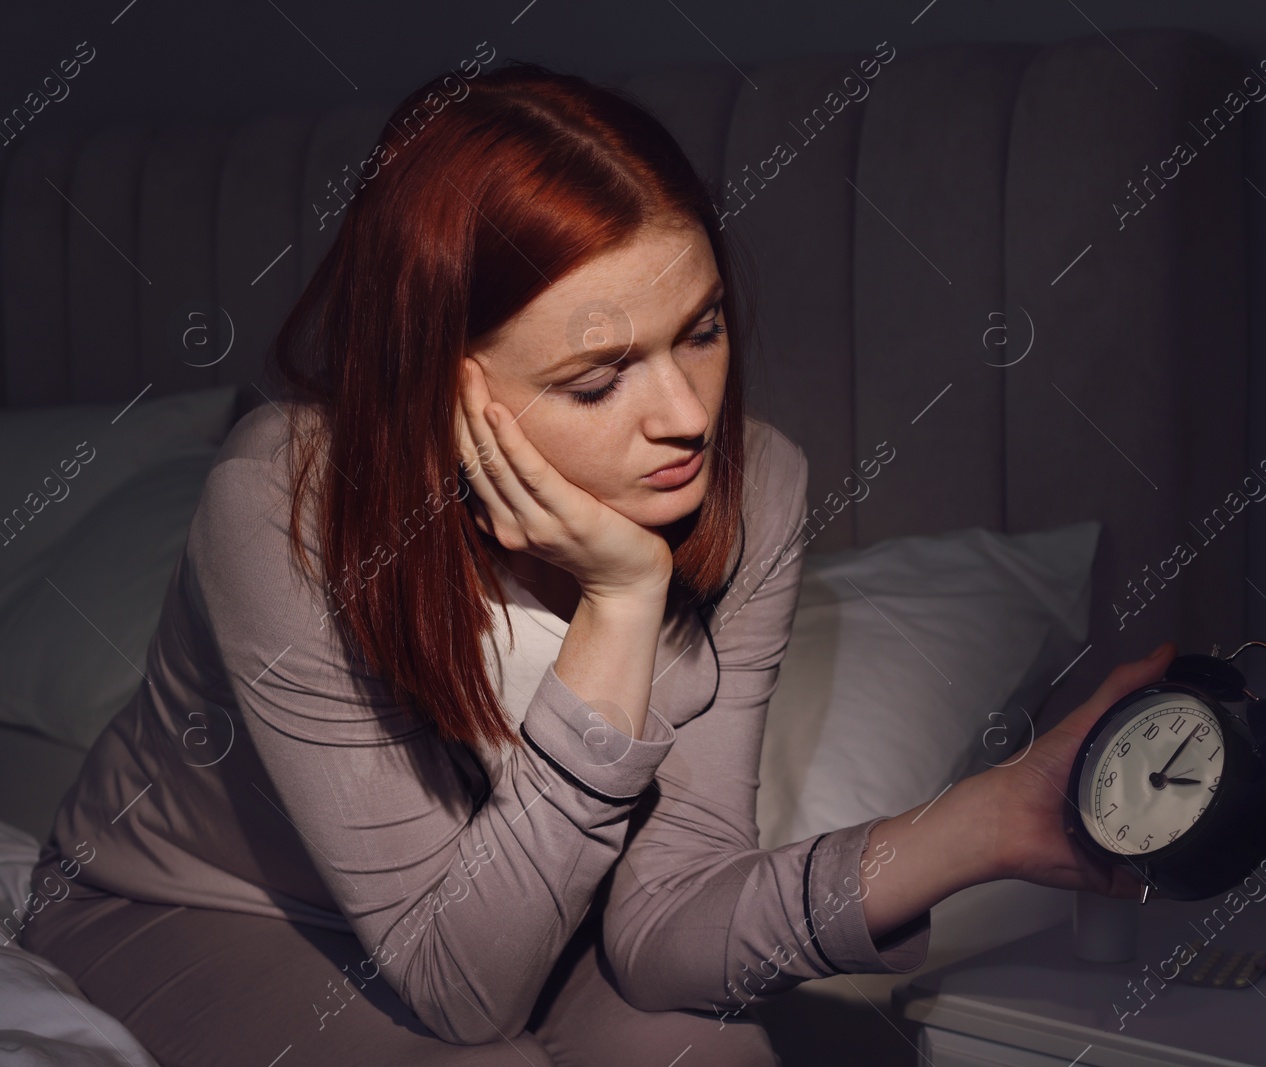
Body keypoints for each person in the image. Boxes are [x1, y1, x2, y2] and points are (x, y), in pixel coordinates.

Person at [17, 59, 1175, 1066]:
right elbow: (463, 991)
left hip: (532, 917)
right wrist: (624, 604)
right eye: (597, 376)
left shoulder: (751, 480)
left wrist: (986, 822)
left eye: (702, 330)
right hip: (183, 904)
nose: (685, 413)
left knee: (711, 1049)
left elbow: (666, 921)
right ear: (441, 389)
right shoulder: (283, 504)